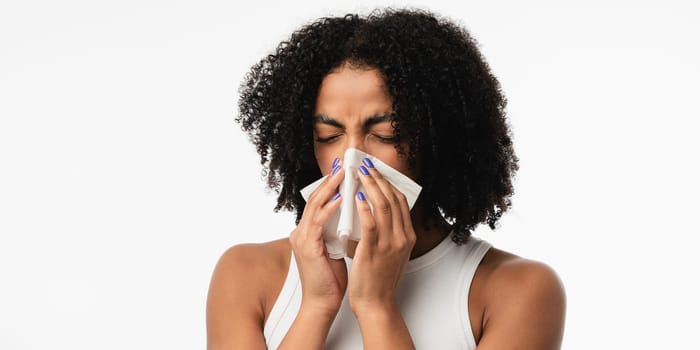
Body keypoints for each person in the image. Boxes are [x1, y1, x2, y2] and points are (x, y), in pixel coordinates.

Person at [207, 8, 566, 350]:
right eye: (329, 137)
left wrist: (376, 306)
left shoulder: (518, 289)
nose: (352, 158)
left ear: (439, 139)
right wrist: (317, 306)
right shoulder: (246, 274)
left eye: (386, 134)